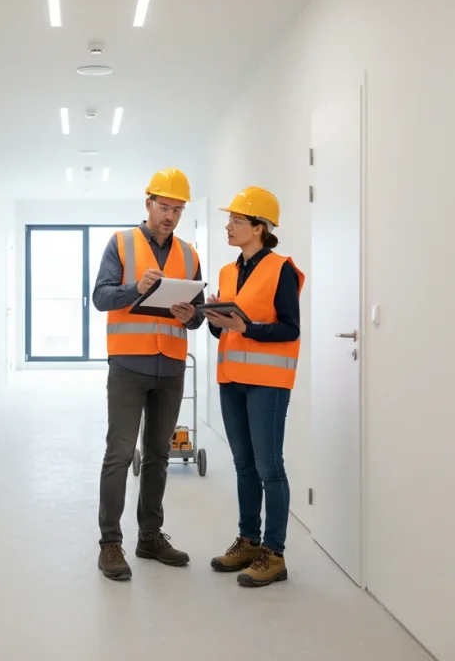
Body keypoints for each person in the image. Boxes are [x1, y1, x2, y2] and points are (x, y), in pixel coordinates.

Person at [92, 167, 206, 581]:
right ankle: (110, 544)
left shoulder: (189, 254)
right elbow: (101, 297)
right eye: (164, 207)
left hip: (170, 367)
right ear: (149, 204)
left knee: (158, 455)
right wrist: (135, 289)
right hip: (128, 365)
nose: (170, 216)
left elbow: (198, 316)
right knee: (120, 455)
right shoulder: (121, 244)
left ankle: (150, 537)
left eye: (177, 209)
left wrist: (191, 315)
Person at [202, 186, 305, 588]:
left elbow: (290, 328)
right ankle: (248, 542)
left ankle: (273, 555)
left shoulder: (281, 269)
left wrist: (248, 327)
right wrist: (214, 320)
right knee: (243, 465)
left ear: (259, 227)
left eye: (236, 220)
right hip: (232, 380)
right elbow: (226, 332)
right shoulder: (228, 272)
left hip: (268, 384)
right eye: (229, 220)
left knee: (269, 468)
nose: (228, 226)